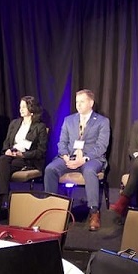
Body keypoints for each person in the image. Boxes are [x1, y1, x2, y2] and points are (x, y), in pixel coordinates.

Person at [44, 89, 110, 231]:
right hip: (70, 156)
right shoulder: (69, 120)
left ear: (91, 103)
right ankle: (51, 208)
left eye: (82, 101)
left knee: (90, 171)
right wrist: (65, 156)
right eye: (77, 102)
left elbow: (101, 146)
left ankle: (94, 212)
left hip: (92, 158)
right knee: (50, 169)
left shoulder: (102, 121)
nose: (78, 105)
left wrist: (84, 159)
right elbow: (62, 142)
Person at [0, 96, 48, 223]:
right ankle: (5, 205)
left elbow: (41, 151)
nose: (21, 109)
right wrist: (8, 150)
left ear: (32, 108)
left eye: (24, 107)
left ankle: (3, 207)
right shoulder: (14, 123)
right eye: (20, 107)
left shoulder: (40, 127)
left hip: (28, 159)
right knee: (4, 159)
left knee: (3, 164)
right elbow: (6, 143)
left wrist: (23, 155)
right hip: (12, 157)